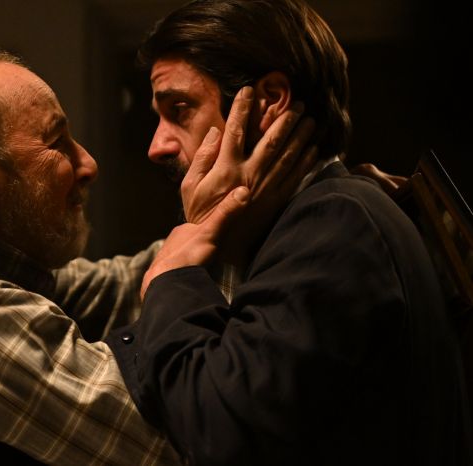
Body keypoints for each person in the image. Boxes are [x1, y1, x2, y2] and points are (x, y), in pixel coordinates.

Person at [0, 48, 315, 465]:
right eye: (56, 143)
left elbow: (120, 283)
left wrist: (224, 219)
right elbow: (184, 443)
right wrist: (197, 253)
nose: (88, 163)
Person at [105, 1, 473, 465]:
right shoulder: (327, 218)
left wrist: (172, 274)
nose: (156, 145)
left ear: (269, 100)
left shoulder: (334, 224)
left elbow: (220, 433)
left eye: (180, 109)